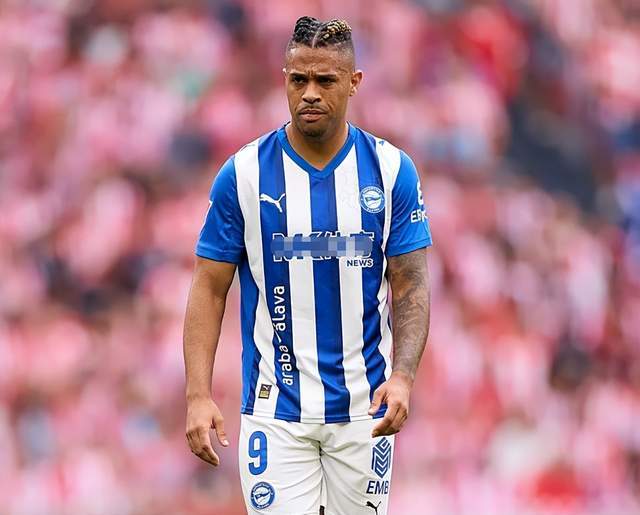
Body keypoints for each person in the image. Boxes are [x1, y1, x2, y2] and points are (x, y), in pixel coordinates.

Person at [183, 16, 432, 515]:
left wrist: (404, 377)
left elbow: (410, 286)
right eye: (299, 80)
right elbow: (209, 287)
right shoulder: (244, 174)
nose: (310, 93)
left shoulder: (390, 172)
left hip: (364, 409)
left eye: (325, 80)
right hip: (275, 413)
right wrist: (197, 395)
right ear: (284, 79)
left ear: (354, 82)